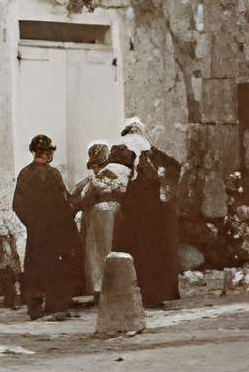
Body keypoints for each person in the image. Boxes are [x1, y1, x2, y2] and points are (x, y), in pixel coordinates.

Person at [11, 134, 84, 320]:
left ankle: (34, 307)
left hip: (36, 231)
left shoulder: (25, 174)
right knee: (55, 266)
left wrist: (31, 223)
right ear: (47, 153)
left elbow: (17, 205)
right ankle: (55, 304)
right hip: (54, 230)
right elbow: (64, 201)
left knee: (34, 267)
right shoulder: (53, 174)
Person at [115, 118, 183, 308]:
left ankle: (133, 296)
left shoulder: (122, 151)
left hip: (134, 215)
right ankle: (157, 294)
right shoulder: (154, 154)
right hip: (157, 214)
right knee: (154, 252)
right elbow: (174, 170)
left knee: (135, 252)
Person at [77, 142, 129, 299]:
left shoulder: (96, 178)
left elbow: (83, 196)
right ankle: (112, 286)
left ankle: (101, 288)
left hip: (99, 215)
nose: (94, 168)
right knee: (110, 249)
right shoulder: (122, 173)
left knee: (98, 252)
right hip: (114, 215)